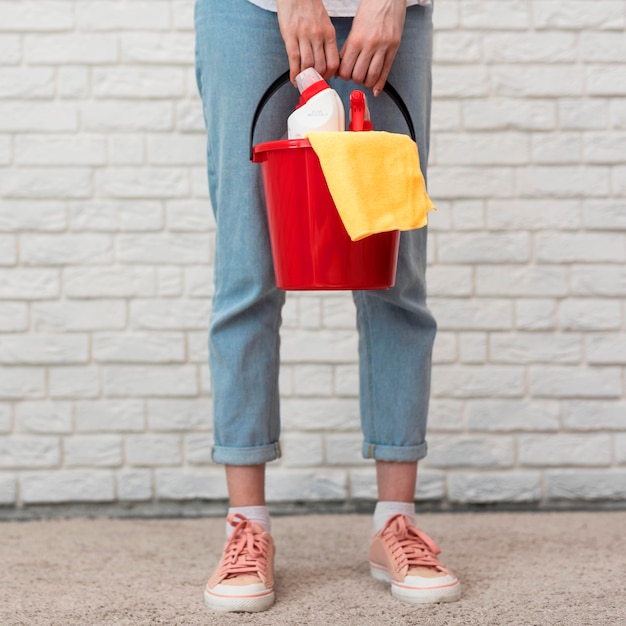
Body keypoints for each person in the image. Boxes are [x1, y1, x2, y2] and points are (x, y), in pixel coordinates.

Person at [194, 0, 461, 612]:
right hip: (250, 14)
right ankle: (247, 524)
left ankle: (395, 523)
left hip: (386, 14)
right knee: (248, 270)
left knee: (392, 271)